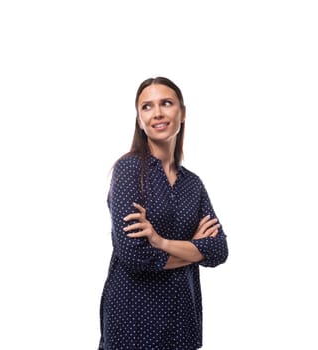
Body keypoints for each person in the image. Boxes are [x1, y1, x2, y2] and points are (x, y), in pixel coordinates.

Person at [98, 76, 229, 350]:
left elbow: (219, 250)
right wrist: (194, 249)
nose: (157, 113)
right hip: (132, 321)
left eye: (166, 103)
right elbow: (134, 254)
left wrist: (160, 242)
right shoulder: (129, 171)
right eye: (146, 107)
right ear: (139, 119)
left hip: (182, 319)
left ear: (182, 112)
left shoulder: (193, 184)